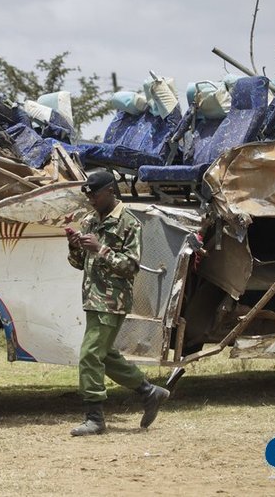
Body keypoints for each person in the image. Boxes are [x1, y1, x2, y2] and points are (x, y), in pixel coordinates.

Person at [65, 169, 170, 436]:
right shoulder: (90, 221)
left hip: (112, 300)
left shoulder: (129, 223)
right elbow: (80, 263)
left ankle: (94, 418)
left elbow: (131, 267)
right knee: (104, 355)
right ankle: (149, 392)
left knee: (90, 354)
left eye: (95, 195)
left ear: (110, 191)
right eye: (88, 195)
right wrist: (75, 246)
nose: (91, 200)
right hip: (93, 298)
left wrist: (101, 249)